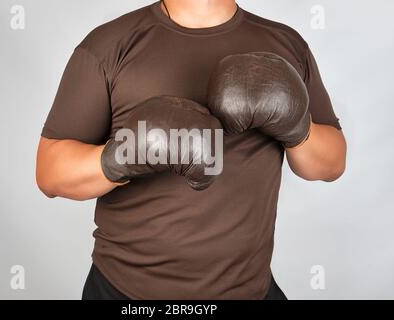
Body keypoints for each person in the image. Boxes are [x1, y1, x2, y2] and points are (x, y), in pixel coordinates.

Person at [36, 0, 347, 300]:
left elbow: (331, 164)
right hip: (123, 292)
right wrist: (124, 155)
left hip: (250, 290)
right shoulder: (108, 45)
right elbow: (50, 174)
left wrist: (297, 126)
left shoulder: (286, 45)